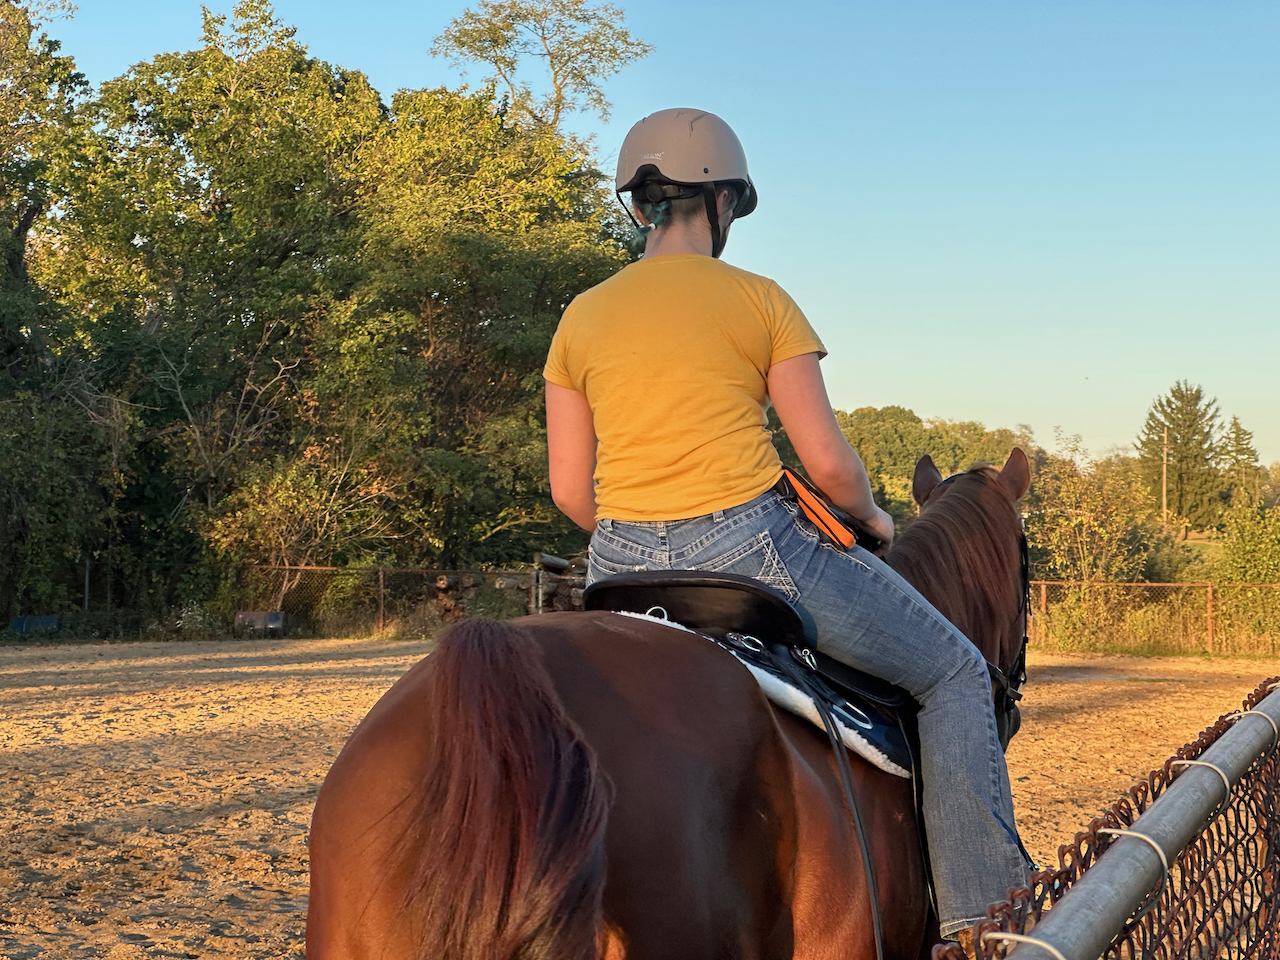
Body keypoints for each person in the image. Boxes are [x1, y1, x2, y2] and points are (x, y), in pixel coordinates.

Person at [543, 107, 1028, 946]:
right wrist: (871, 517)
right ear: (723, 201)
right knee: (955, 673)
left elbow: (567, 489)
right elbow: (829, 467)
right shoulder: (760, 300)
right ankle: (986, 921)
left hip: (617, 566)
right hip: (751, 552)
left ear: (640, 205)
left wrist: (635, 525)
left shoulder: (582, 315)